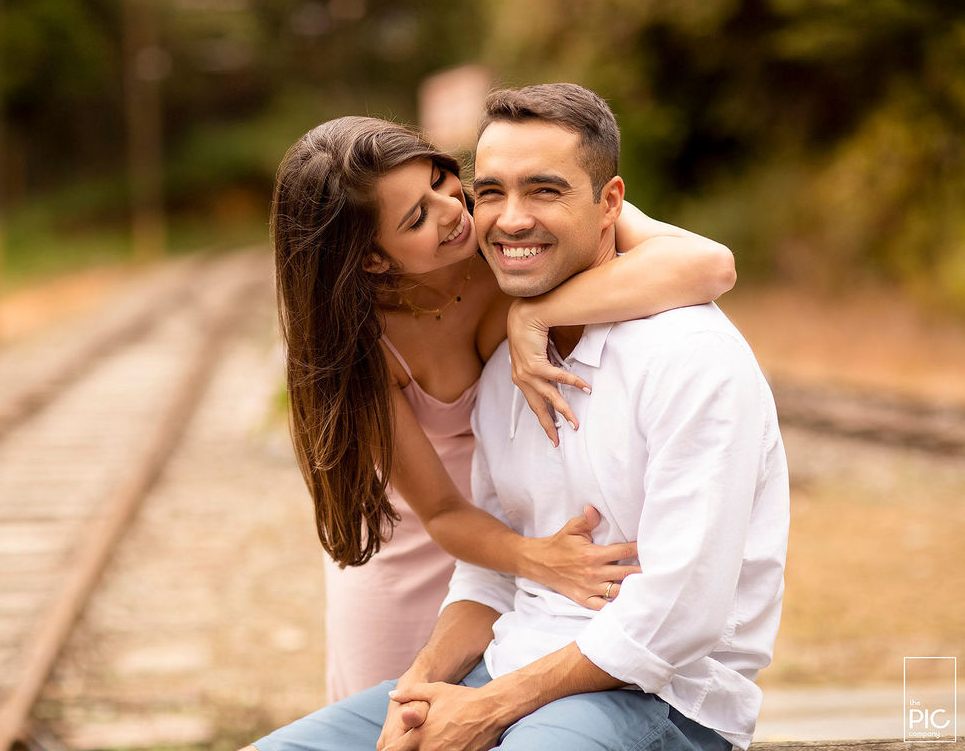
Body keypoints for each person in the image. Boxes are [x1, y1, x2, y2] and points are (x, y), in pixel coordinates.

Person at [248, 83, 789, 751]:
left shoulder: (669, 353)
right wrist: (420, 689)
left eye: (450, 184)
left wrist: (488, 706)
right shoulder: (484, 358)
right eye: (489, 191)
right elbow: (478, 551)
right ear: (374, 258)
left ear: (608, 204)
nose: (476, 216)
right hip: (456, 560)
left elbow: (676, 616)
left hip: (643, 685)